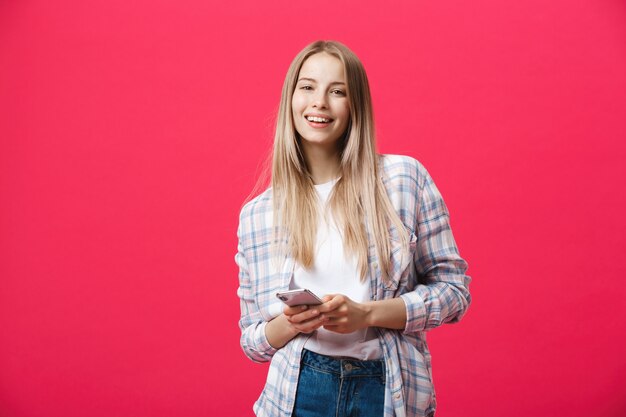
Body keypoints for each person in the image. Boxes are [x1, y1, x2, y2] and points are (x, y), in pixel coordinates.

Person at [235, 40, 471, 417]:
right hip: (298, 390)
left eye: (338, 91)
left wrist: (369, 314)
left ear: (354, 105)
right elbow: (253, 342)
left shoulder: (404, 180)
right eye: (308, 87)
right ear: (290, 99)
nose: (319, 103)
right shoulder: (259, 215)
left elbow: (454, 291)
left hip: (386, 388)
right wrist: (289, 323)